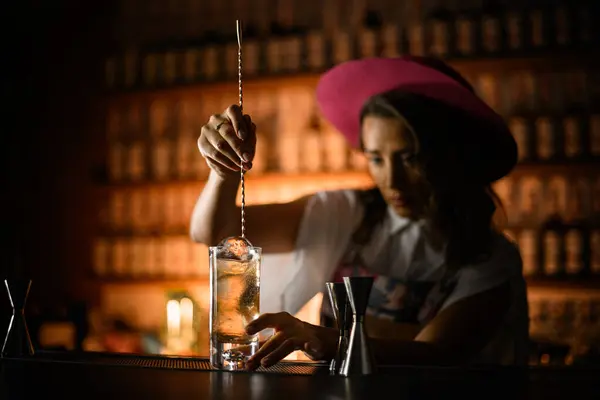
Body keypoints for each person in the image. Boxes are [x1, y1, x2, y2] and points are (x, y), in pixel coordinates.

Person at [190, 56, 529, 370]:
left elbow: (439, 352)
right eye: (376, 158)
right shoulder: (344, 212)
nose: (392, 180)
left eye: (409, 157)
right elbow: (215, 233)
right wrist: (223, 173)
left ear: (448, 154)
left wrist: (331, 341)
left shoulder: (491, 257)